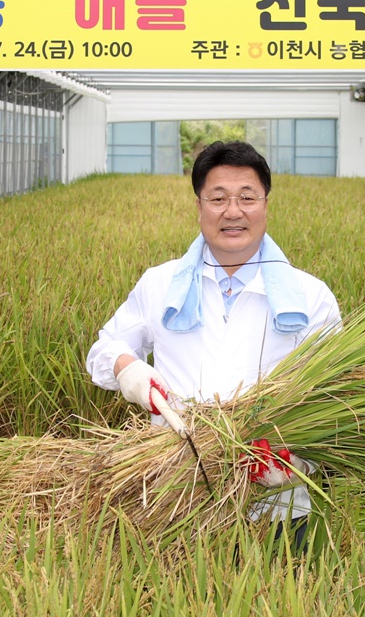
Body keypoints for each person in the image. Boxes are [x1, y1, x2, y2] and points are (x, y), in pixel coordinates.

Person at [86, 140, 341, 548]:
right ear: (199, 206)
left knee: (283, 606)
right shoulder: (160, 283)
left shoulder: (311, 296)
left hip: (275, 501)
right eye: (218, 198)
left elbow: (335, 396)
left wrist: (295, 459)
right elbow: (105, 346)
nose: (233, 211)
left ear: (266, 203)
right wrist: (126, 369)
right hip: (172, 494)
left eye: (247, 197)